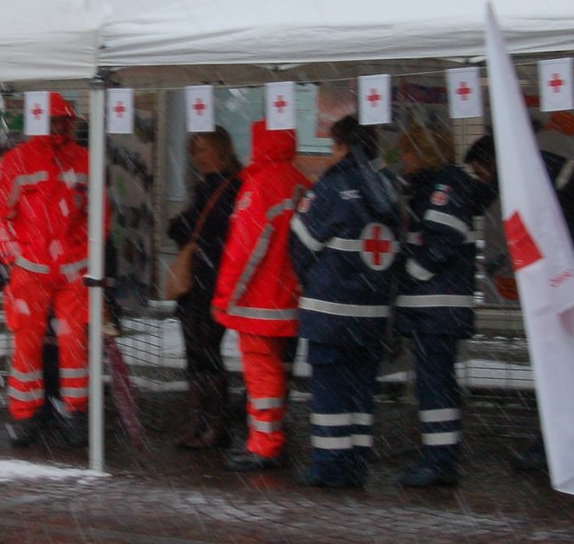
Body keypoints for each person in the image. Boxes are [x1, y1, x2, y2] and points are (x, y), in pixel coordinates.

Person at [462, 133, 574, 473]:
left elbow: (542, 229)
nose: (483, 181)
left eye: (481, 172)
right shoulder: (542, 168)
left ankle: (562, 446)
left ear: (492, 163)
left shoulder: (531, 174)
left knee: (566, 362)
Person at [288, 116, 402, 489]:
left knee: (331, 393)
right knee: (361, 394)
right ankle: (355, 464)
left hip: (331, 314)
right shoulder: (387, 187)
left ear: (342, 147)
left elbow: (301, 246)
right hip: (371, 314)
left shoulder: (331, 188)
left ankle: (331, 467)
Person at [0, 92, 100, 448]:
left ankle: (75, 413)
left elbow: (99, 215)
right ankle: (27, 414)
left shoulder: (85, 161)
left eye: (63, 121)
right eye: (53, 121)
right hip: (33, 270)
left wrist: (86, 255)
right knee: (27, 345)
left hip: (72, 270)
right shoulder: (18, 162)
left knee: (74, 344)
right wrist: (13, 257)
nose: (58, 128)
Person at [213, 119, 312, 472]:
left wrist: (225, 297)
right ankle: (273, 437)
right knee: (281, 371)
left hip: (259, 301)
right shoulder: (301, 182)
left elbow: (244, 251)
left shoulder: (259, 186)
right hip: (292, 298)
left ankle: (265, 445)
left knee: (261, 373)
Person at [393, 122, 480, 488]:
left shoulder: (443, 186)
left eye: (406, 151)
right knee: (436, 383)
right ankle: (438, 457)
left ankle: (439, 461)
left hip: (436, 305)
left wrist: (412, 271)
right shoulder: (439, 185)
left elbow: (442, 241)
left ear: (422, 152)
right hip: (434, 306)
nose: (402, 159)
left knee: (435, 385)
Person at [166, 126, 241, 450]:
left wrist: (185, 227)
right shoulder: (207, 187)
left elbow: (206, 230)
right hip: (196, 285)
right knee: (196, 356)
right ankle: (200, 423)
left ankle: (214, 425)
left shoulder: (229, 187)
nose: (199, 156)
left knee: (207, 354)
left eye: (204, 149)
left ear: (222, 149)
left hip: (212, 284)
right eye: (195, 150)